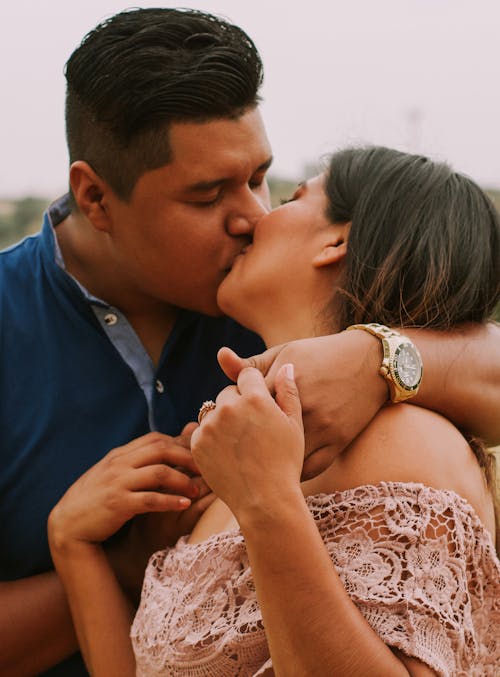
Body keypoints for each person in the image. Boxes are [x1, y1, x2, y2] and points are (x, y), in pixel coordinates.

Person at [1, 8, 499, 677]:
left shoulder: (269, 309)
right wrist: (99, 557)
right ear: (93, 196)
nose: (253, 215)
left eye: (262, 177)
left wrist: (376, 359)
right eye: (207, 195)